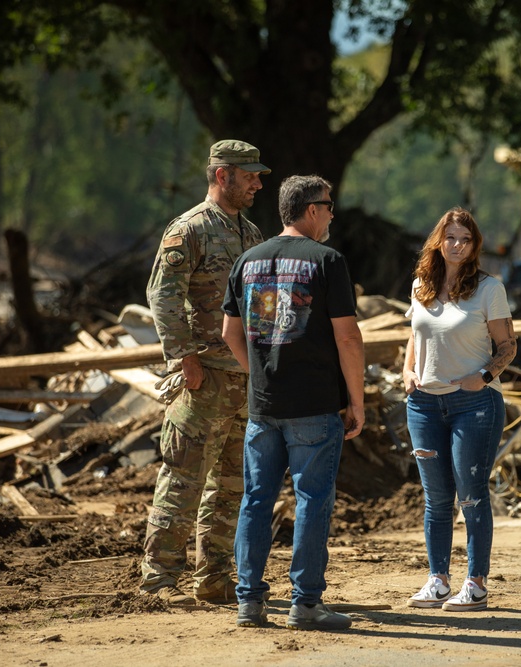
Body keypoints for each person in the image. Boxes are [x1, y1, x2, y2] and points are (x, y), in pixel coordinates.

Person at [221, 174, 365, 631]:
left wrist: (259, 372)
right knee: (312, 501)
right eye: (328, 205)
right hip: (315, 406)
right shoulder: (328, 261)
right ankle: (305, 606)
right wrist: (356, 401)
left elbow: (229, 333)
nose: (331, 214)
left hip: (264, 408)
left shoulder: (247, 260)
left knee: (256, 502)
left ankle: (250, 603)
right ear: (310, 210)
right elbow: (347, 337)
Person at [140, 140, 270, 606]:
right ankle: (160, 580)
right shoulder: (190, 229)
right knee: (183, 480)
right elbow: (163, 296)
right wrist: (183, 358)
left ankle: (214, 578)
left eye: (258, 175)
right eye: (250, 175)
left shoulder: (251, 234)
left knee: (231, 485)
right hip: (204, 379)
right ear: (222, 175)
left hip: (244, 381)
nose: (258, 182)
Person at [402, 207, 517, 612]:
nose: (456, 245)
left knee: (470, 495)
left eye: (465, 239)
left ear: (474, 246)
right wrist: (406, 371)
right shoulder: (421, 285)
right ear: (439, 240)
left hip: (474, 404)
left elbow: (508, 346)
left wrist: (483, 377)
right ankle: (437, 580)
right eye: (450, 237)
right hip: (424, 405)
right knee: (435, 499)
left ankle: (476, 583)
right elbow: (415, 336)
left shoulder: (489, 288)